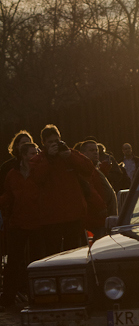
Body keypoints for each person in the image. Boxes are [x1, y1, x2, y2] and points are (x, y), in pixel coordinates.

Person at [30, 125, 94, 256]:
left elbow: (89, 168)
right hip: (52, 218)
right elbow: (36, 179)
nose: (54, 144)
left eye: (56, 141)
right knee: (52, 254)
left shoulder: (68, 154)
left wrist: (70, 156)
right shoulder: (39, 159)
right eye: (50, 142)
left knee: (73, 253)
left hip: (73, 215)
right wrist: (49, 159)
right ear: (43, 143)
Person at [0, 142, 43, 306]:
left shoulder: (39, 172)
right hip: (19, 222)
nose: (35, 156)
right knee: (13, 261)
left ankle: (39, 295)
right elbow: (9, 196)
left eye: (36, 152)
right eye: (32, 153)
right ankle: (8, 297)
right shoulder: (12, 174)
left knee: (37, 261)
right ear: (23, 156)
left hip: (38, 223)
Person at [79, 140, 117, 240]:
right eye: (92, 150)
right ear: (83, 153)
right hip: (96, 221)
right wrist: (102, 208)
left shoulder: (94, 169)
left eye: (96, 150)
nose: (96, 152)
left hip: (104, 219)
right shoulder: (85, 170)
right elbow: (90, 192)